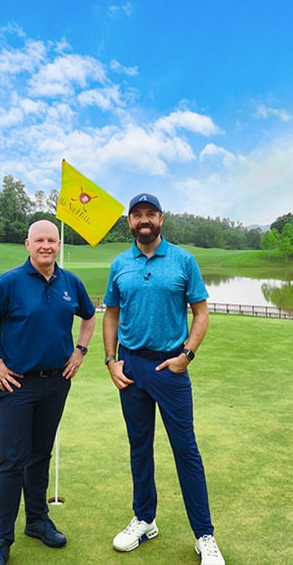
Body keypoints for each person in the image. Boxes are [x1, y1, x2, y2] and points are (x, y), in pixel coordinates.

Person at [0, 219, 97, 565]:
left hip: (57, 382)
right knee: (12, 460)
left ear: (59, 245)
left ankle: (36, 520)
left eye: (52, 240)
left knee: (40, 455)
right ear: (28, 244)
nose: (46, 246)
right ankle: (0, 539)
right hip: (17, 384)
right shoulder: (9, 283)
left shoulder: (71, 283)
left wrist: (80, 351)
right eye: (40, 240)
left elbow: (90, 316)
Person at [103, 193, 226, 565]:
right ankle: (145, 519)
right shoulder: (120, 264)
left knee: (186, 450)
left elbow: (201, 313)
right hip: (131, 367)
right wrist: (111, 360)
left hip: (170, 369)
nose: (144, 220)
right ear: (129, 222)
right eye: (137, 215)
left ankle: (204, 535)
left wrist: (187, 355)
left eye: (150, 214)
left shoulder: (183, 260)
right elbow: (111, 314)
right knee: (139, 447)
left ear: (161, 219)